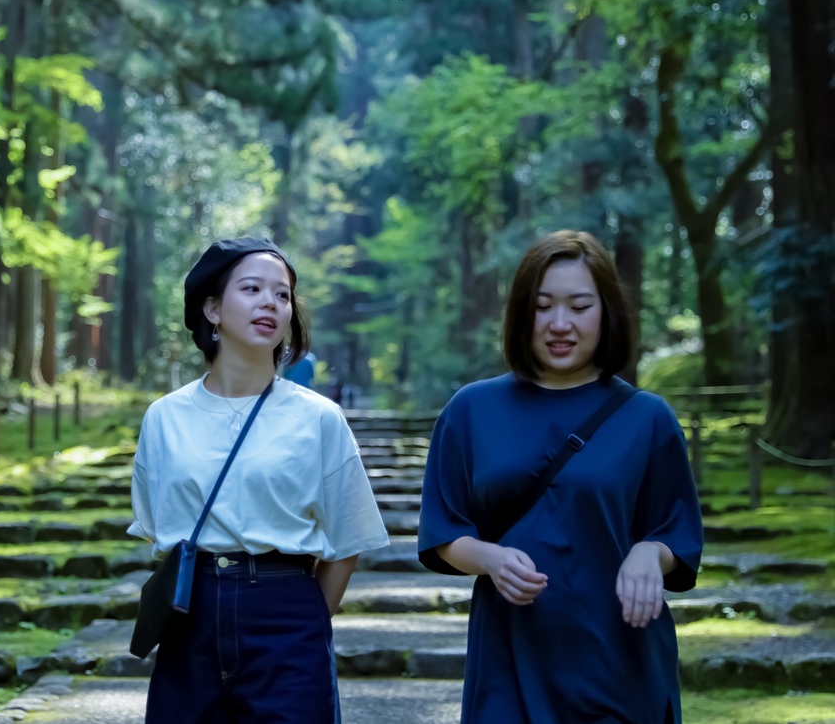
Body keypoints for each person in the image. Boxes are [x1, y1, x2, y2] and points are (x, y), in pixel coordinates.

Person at [417, 230, 703, 724]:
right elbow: (443, 532)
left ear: (606, 312)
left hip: (620, 660)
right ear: (521, 313)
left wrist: (647, 553)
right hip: (510, 657)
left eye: (579, 305)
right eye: (543, 305)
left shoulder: (648, 418)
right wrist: (491, 558)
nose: (559, 323)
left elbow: (676, 535)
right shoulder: (471, 410)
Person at [128, 236, 389, 723]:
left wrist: (305, 623)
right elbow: (157, 528)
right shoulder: (164, 417)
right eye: (251, 289)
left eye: (283, 294)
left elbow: (346, 541)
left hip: (286, 610)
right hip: (190, 617)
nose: (270, 302)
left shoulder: (319, 418)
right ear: (212, 308)